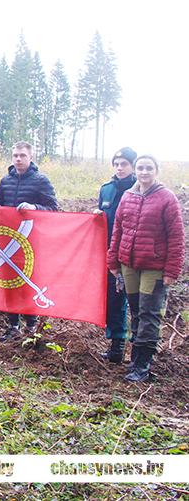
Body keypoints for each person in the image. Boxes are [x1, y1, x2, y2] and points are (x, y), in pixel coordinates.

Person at [107, 155, 184, 382]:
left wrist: (172, 270)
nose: (144, 172)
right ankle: (135, 359)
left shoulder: (166, 198)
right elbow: (118, 230)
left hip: (154, 267)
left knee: (149, 313)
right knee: (136, 311)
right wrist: (113, 261)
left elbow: (177, 237)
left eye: (148, 168)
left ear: (156, 171)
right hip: (128, 264)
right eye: (140, 168)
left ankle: (142, 365)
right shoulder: (128, 196)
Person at [0, 141, 59, 342]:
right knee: (9, 282)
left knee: (28, 282)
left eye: (22, 155)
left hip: (30, 241)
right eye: (15, 156)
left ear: (30, 157)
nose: (18, 159)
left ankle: (31, 326)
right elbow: (0, 204)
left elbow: (54, 208)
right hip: (8, 239)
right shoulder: (5, 181)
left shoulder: (41, 180)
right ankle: (13, 325)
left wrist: (35, 207)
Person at [93, 147, 137, 363]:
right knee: (113, 298)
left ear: (132, 166)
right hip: (109, 253)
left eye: (124, 164)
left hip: (132, 253)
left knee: (132, 301)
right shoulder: (107, 189)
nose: (120, 168)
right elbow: (103, 216)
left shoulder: (140, 189)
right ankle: (116, 345)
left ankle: (134, 349)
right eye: (117, 164)